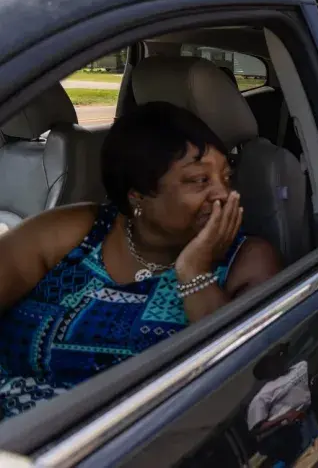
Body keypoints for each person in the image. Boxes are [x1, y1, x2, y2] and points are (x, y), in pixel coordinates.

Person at [0, 101, 282, 418]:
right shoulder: (76, 231)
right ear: (139, 196)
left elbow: (243, 378)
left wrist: (194, 272)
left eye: (226, 177)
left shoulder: (247, 260)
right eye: (199, 180)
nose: (224, 194)